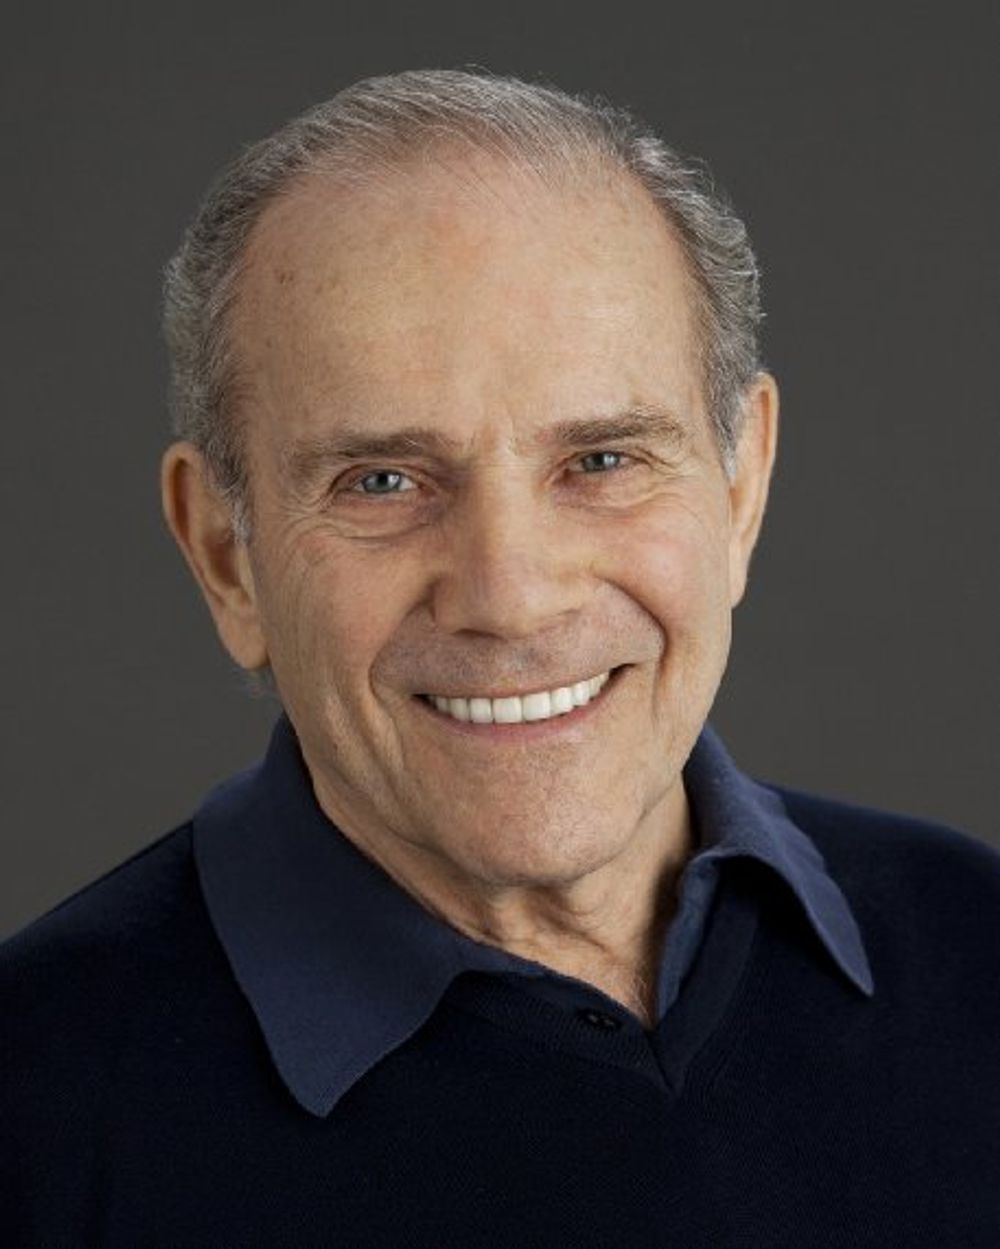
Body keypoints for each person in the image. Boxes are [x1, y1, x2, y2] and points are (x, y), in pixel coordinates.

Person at [3, 69, 998, 1247]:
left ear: (740, 489)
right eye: (383, 480)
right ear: (226, 554)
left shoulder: (976, 947)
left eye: (603, 460)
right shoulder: (32, 1118)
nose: (510, 597)